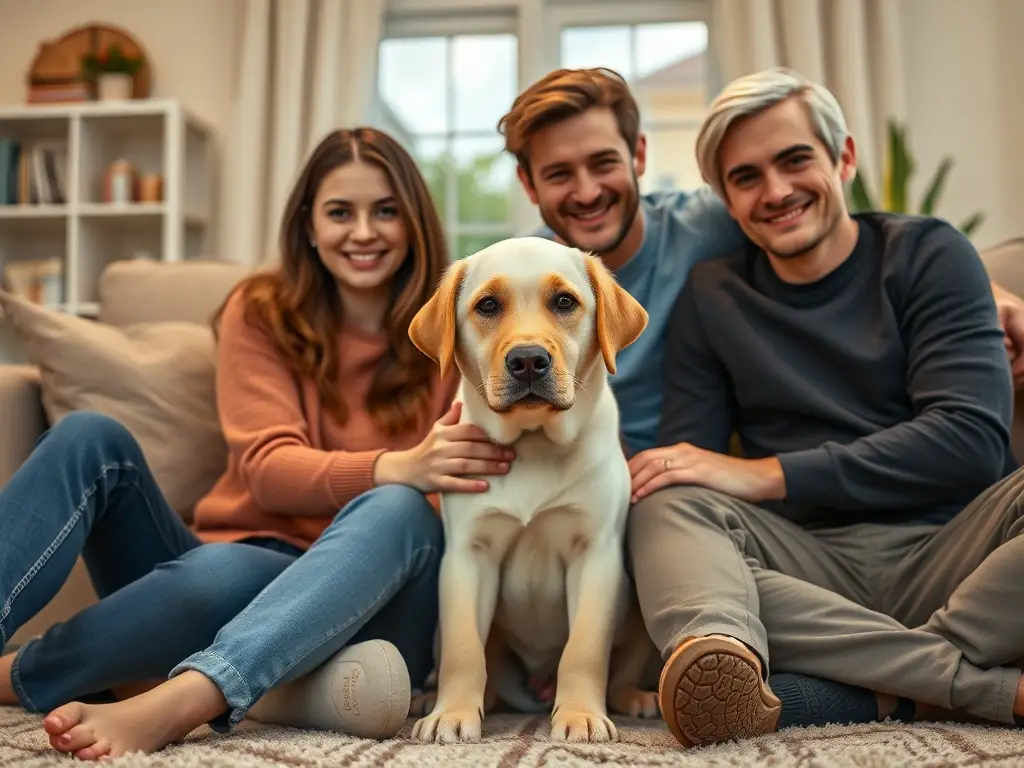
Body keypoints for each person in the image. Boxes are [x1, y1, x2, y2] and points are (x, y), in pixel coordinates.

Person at [498, 65, 1024, 728]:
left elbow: (971, 443)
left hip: (953, 547)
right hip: (803, 563)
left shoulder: (927, 254)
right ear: (725, 197)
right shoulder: (711, 290)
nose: (775, 192)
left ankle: (887, 687)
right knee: (666, 500)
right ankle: (962, 681)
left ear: (846, 157)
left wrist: (764, 473)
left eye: (795, 160)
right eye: (746, 177)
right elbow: (688, 467)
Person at [3, 126, 514, 761]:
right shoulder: (262, 310)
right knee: (91, 438)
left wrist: (404, 483)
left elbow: (467, 490)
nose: (363, 232)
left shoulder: (460, 323)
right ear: (307, 225)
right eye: (339, 212)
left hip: (378, 601)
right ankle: (159, 673)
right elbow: (268, 471)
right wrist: (397, 464)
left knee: (400, 506)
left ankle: (171, 696)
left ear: (414, 221)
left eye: (385, 210)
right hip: (213, 576)